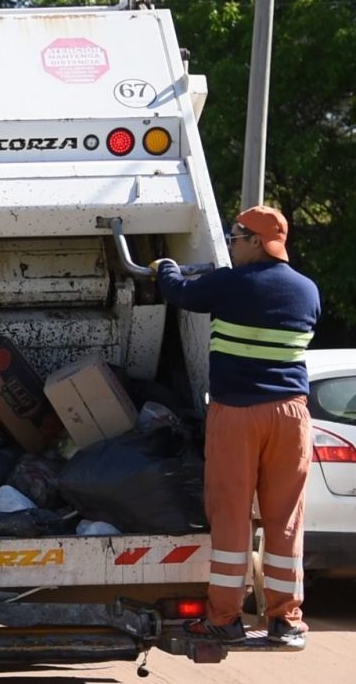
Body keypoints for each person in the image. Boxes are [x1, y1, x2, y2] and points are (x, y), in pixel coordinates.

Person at [150, 206, 319, 648]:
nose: (230, 244)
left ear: (255, 242)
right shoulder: (307, 291)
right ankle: (286, 619)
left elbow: (179, 293)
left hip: (238, 415)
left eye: (235, 237)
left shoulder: (229, 284)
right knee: (285, 519)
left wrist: (165, 266)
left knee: (230, 515)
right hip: (291, 416)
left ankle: (226, 618)